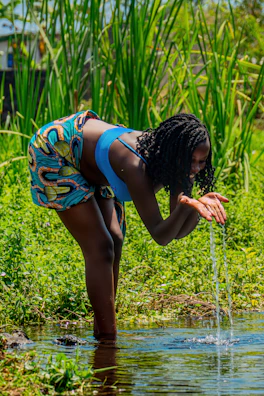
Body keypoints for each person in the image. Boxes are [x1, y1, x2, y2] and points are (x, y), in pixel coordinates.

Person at [28, 110, 228, 340]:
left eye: (202, 162)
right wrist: (186, 206)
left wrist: (196, 206)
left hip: (93, 160)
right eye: (191, 161)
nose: (195, 168)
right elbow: (160, 234)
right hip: (57, 148)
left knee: (115, 238)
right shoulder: (136, 165)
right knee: (102, 247)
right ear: (175, 152)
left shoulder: (179, 165)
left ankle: (103, 330)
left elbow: (178, 232)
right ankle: (108, 339)